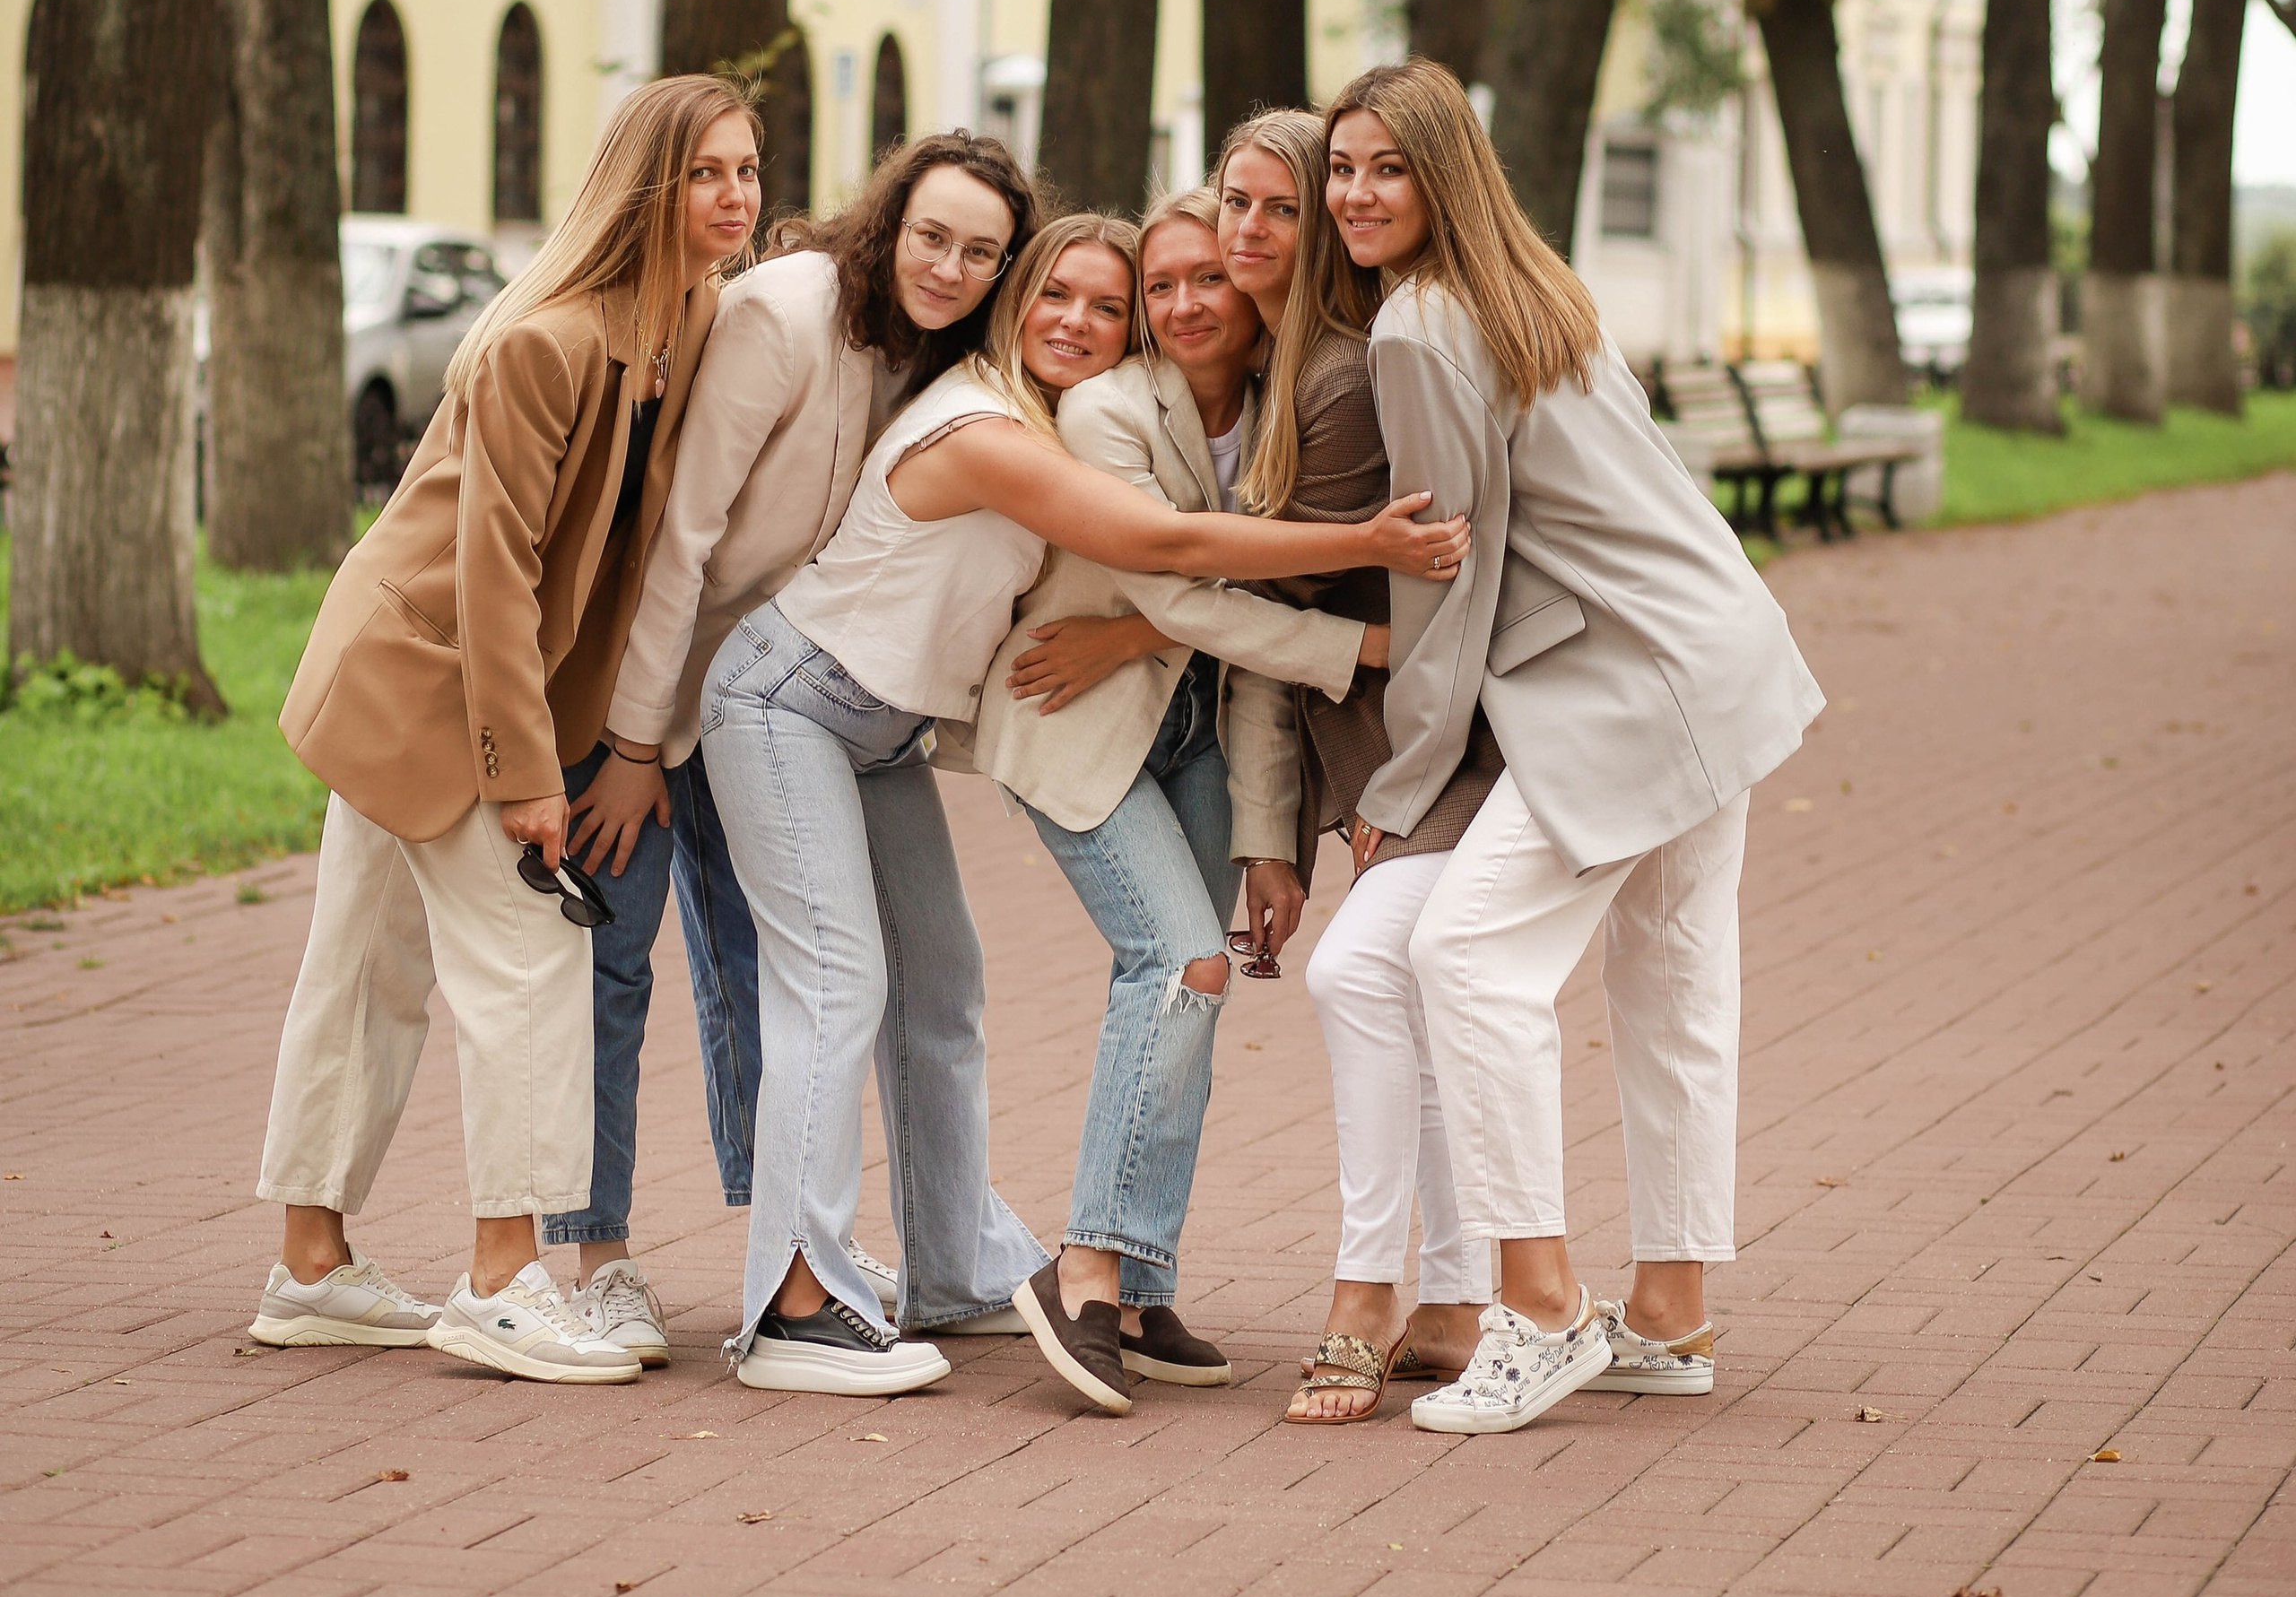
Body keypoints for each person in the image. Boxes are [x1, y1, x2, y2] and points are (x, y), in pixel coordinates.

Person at [700, 210, 1471, 1398]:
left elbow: (1160, 587)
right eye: (1062, 295)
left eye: (1107, 306)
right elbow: (1159, 544)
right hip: (788, 700)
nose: (1083, 321)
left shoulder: (1080, 410)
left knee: (943, 990)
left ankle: (964, 1270)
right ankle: (796, 1307)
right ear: (1018, 303)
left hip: (886, 725)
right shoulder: (989, 427)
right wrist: (1366, 572)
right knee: (844, 981)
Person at [1324, 59, 1823, 1437]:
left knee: (1462, 954)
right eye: (1343, 169)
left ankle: (1540, 1315)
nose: (1358, 194)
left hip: (1629, 683)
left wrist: (1403, 782)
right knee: (1672, 986)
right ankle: (1669, 1315)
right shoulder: (1537, 293)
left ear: (1445, 178)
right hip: (1719, 654)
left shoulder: (1420, 326)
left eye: (1389, 169)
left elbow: (1442, 575)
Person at [248, 77, 757, 1384]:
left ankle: (311, 1265)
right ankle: (501, 1280)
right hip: (423, 673)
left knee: (367, 964)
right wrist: (527, 776)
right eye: (705, 174)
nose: (735, 197)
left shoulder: (686, 317)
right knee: (531, 956)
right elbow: (494, 575)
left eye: (748, 171)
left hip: (448, 669)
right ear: (645, 186)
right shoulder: (544, 338)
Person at [540, 130, 1037, 1368]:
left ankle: (797, 1250)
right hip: (652, 687)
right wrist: (637, 742)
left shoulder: (946, 351)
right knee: (617, 964)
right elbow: (682, 537)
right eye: (932, 236)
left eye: (982, 252)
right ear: (890, 221)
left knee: (775, 970)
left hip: (779, 692)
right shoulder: (787, 313)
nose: (951, 264)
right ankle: (596, 1256)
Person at [957, 186, 1379, 1417]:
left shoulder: (1279, 418)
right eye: (1164, 285)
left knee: (1188, 995)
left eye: (1211, 279)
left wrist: (1269, 841)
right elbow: (1186, 583)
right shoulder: (1104, 409)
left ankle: (1141, 1286)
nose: (1186, 303)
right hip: (1072, 719)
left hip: (1199, 728)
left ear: (1257, 295)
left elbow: (1248, 652)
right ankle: (1083, 1265)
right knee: (1181, 964)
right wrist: (1368, 650)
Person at [1211, 111, 1500, 1428]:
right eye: (1240, 203)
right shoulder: (1281, 368)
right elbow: (1268, 632)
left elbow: (1256, 601)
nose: (1258, 230)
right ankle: (1456, 1298)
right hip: (1397, 749)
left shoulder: (1340, 378)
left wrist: (1142, 602)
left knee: (1355, 974)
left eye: (1287, 202)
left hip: (1448, 750)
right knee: (1405, 995)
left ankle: (1366, 1291)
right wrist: (1271, 837)